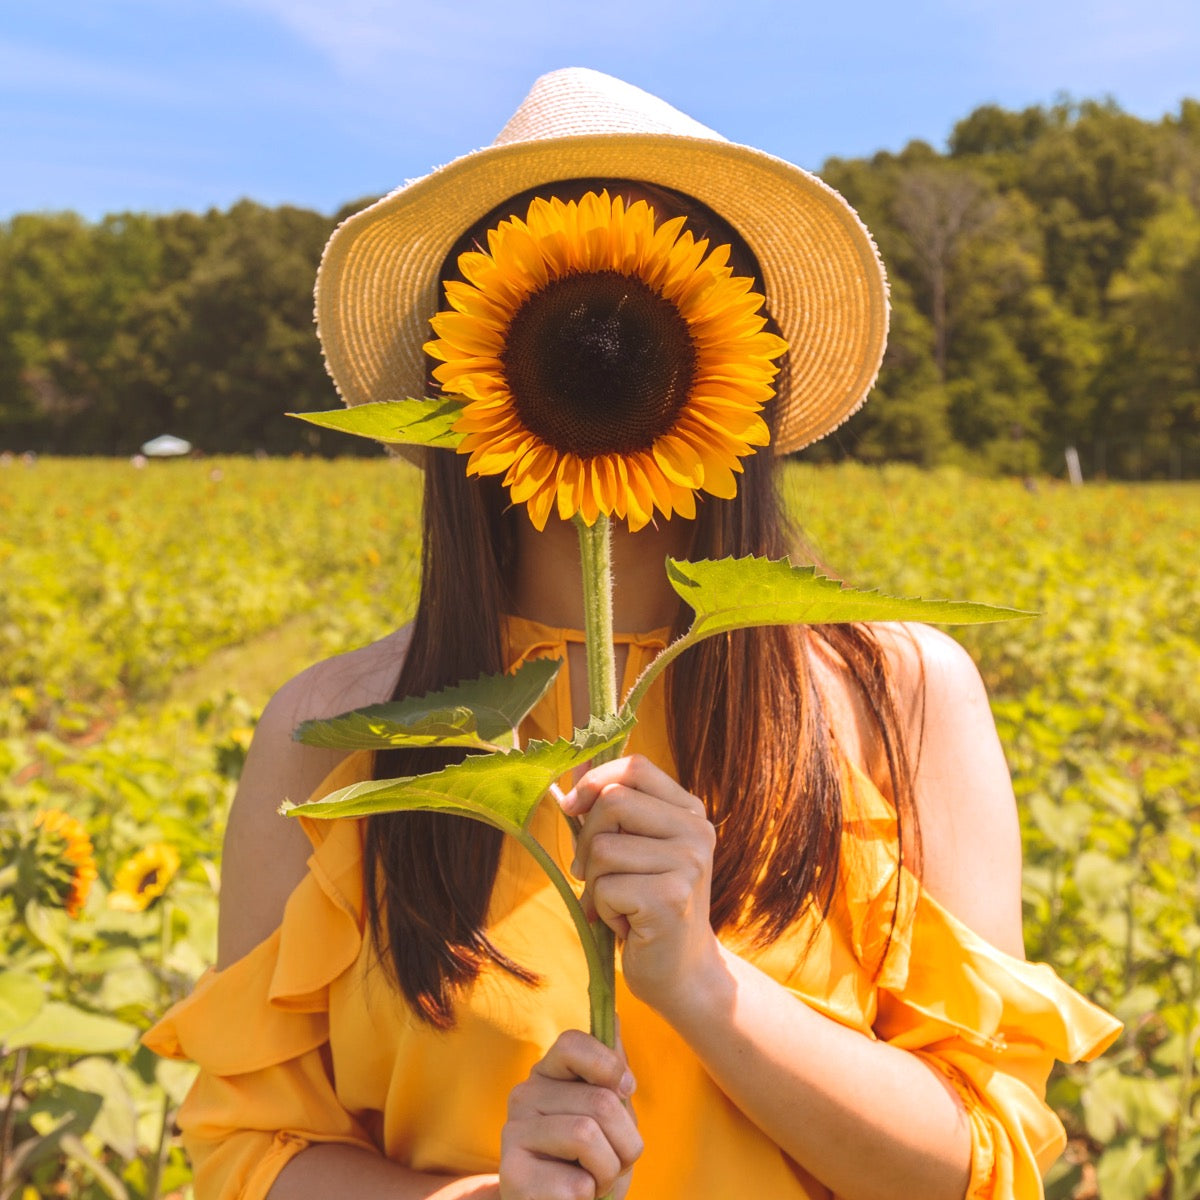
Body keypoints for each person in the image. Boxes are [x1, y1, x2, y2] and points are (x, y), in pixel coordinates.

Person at [145, 68, 1121, 1200]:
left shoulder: (896, 694)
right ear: (468, 374)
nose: (601, 340)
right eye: (564, 311)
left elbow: (983, 1163)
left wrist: (705, 990)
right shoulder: (335, 736)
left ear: (735, 360)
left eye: (640, 306)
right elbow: (246, 1154)